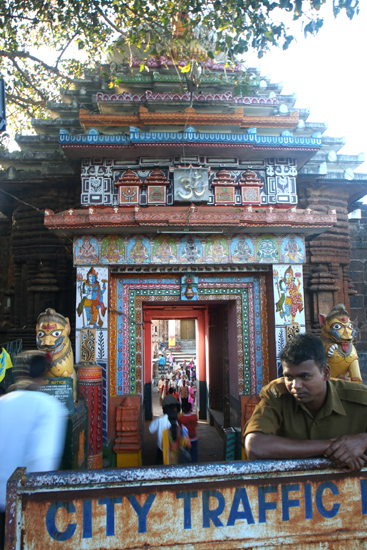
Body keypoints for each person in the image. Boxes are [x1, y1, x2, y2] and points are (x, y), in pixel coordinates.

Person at [244, 333, 367, 473]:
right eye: (289, 377)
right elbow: (255, 446)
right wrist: (333, 447)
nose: (295, 385)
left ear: (326, 372)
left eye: (305, 376)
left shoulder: (360, 398)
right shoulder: (276, 395)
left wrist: (363, 440)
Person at [0, 351, 67, 548]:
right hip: (22, 508)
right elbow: (42, 460)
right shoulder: (48, 407)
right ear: (44, 377)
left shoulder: (3, 403)